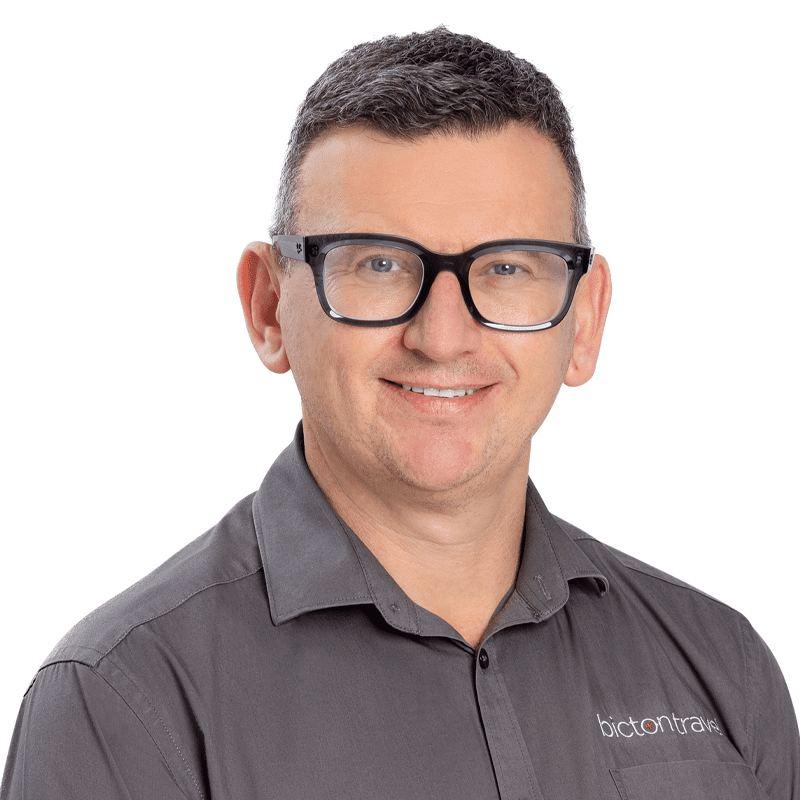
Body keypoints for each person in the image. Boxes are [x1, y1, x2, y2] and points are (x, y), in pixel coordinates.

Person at [1, 26, 797, 800]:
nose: (442, 338)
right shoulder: (121, 708)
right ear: (269, 306)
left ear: (583, 322)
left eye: (508, 268)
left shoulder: (723, 670)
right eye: (379, 264)